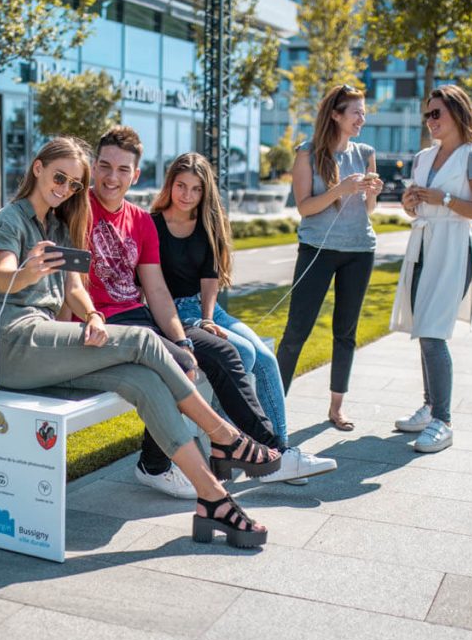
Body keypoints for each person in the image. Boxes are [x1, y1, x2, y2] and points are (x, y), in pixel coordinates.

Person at [0, 136, 279, 547]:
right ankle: (225, 436)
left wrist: (95, 315)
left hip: (43, 346)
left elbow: (73, 289)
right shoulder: (9, 220)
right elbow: (4, 277)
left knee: (144, 381)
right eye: (59, 177)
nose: (63, 188)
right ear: (38, 169)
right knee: (143, 342)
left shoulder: (60, 224)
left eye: (73, 184)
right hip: (10, 342)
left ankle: (214, 500)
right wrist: (29, 270)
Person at [87, 126, 335, 496]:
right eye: (105, 166)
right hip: (102, 327)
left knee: (220, 353)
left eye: (123, 170)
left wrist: (183, 338)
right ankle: (205, 457)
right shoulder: (79, 210)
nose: (112, 177)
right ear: (93, 167)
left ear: (136, 175)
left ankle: (269, 453)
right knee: (182, 364)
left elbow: (156, 290)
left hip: (142, 319)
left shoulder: (138, 221)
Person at [150, 152, 290, 447]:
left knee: (265, 358)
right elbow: (151, 287)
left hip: (205, 307)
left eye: (196, 188)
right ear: (170, 185)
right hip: (172, 313)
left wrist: (209, 318)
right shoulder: (153, 225)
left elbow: (210, 279)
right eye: (181, 186)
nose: (188, 195)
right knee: (243, 354)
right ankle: (228, 446)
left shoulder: (208, 223)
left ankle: (281, 447)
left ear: (205, 191)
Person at [390, 85, 472, 453]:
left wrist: (445, 199)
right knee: (423, 328)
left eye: (437, 113)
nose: (430, 121)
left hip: (453, 248)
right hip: (422, 247)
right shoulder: (422, 158)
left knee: (434, 333)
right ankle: (430, 405)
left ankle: (443, 421)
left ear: (457, 113)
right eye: (427, 115)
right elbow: (418, 209)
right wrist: (409, 203)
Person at [275, 84, 383, 431]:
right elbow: (305, 208)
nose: (361, 119)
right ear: (336, 115)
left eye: (363, 113)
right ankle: (270, 408)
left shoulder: (366, 152)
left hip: (359, 251)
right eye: (356, 112)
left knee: (345, 332)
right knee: (296, 331)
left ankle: (337, 408)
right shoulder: (307, 153)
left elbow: (367, 210)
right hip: (317, 251)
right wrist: (339, 189)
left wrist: (372, 194)